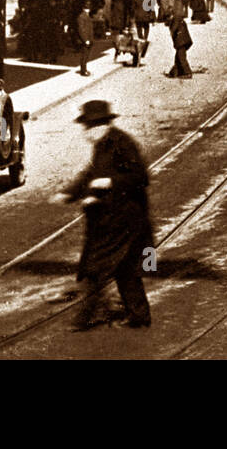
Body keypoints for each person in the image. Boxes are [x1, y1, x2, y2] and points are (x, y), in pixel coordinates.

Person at [55, 100, 153, 330]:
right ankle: (139, 316)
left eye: (88, 127)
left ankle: (85, 317)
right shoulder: (103, 145)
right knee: (126, 269)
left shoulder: (122, 143)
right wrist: (70, 193)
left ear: (101, 125)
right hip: (111, 218)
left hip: (123, 220)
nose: (86, 132)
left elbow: (141, 177)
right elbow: (91, 173)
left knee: (94, 268)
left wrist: (110, 182)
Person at [166, 12, 193, 78]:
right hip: (183, 41)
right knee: (178, 58)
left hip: (181, 42)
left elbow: (174, 29)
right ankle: (176, 72)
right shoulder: (178, 19)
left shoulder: (176, 20)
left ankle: (188, 72)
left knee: (181, 58)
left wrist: (171, 30)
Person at [75, 4, 94, 76]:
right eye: (86, 9)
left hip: (88, 39)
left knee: (86, 55)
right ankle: (83, 70)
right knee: (84, 55)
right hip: (85, 40)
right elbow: (81, 30)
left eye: (88, 9)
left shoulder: (86, 16)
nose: (88, 10)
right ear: (83, 9)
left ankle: (84, 69)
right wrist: (85, 39)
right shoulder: (81, 17)